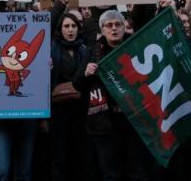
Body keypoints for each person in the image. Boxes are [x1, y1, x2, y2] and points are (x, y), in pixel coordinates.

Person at [74, 10, 153, 181]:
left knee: (137, 171)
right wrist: (86, 73)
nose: (114, 28)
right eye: (109, 25)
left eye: (118, 24)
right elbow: (77, 84)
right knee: (111, 173)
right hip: (104, 123)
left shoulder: (135, 49)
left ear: (125, 28)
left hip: (134, 120)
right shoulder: (92, 52)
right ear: (102, 30)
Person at [50, 13, 90, 181]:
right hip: (59, 111)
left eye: (73, 26)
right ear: (60, 29)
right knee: (60, 153)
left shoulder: (85, 50)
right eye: (66, 26)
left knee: (80, 152)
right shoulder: (52, 49)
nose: (70, 30)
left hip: (81, 110)